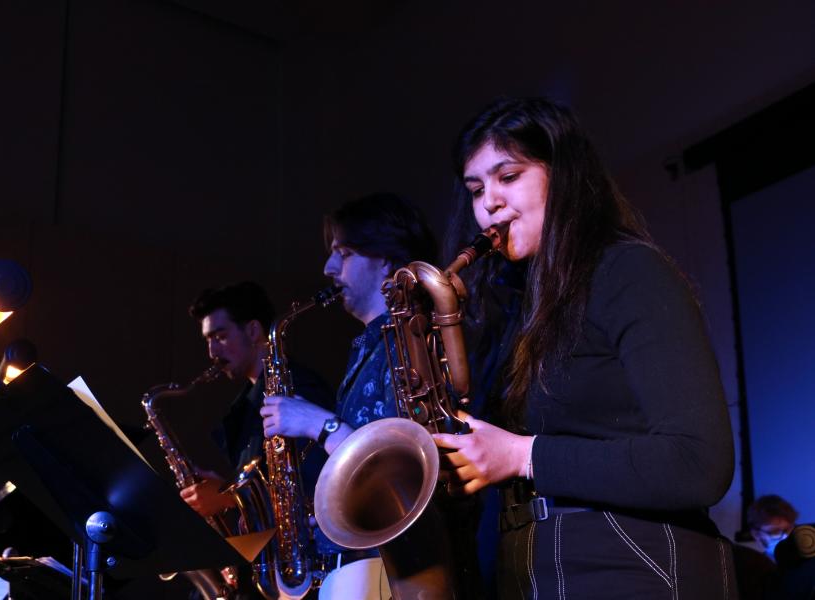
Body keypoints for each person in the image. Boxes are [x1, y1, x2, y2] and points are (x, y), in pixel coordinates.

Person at [432, 97, 738, 599]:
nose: (488, 203)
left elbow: (699, 462)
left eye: (508, 176)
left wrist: (522, 456)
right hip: (539, 570)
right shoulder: (520, 308)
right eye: (476, 189)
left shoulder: (629, 271)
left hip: (633, 566)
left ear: (564, 176)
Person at [260, 193, 443, 599]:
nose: (328, 268)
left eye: (344, 253)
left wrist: (318, 423)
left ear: (386, 259)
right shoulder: (370, 343)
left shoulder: (409, 340)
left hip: (394, 569)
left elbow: (399, 470)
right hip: (365, 566)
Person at [181, 281, 335, 597]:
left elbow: (312, 487)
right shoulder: (248, 402)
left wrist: (225, 497)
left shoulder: (298, 389)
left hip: (299, 575)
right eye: (208, 341)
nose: (212, 353)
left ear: (253, 331)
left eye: (220, 336)